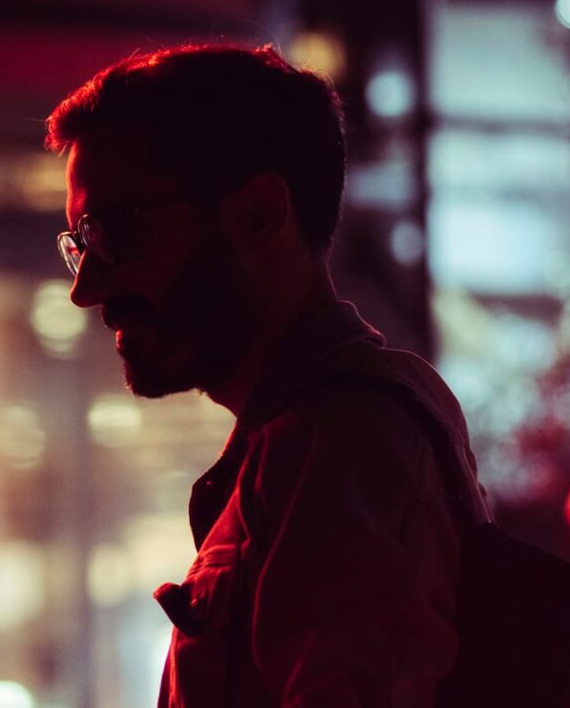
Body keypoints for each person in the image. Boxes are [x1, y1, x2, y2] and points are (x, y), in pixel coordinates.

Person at [46, 44, 492, 707]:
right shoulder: (306, 441)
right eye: (79, 245)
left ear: (258, 214)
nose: (88, 288)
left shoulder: (347, 441)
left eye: (114, 233)